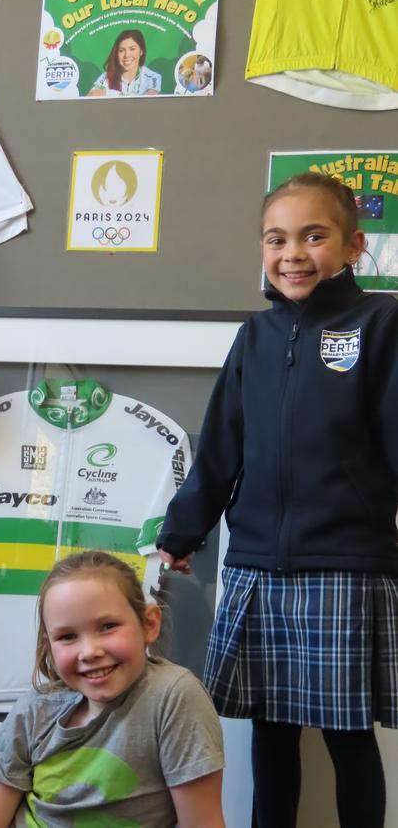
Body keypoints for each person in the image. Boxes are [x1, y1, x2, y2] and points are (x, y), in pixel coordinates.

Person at [157, 171, 398, 828]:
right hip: (258, 563)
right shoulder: (254, 338)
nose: (293, 252)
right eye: (276, 238)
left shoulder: (383, 323)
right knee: (271, 732)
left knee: (349, 736)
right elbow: (221, 449)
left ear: (354, 247)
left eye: (313, 236)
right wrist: (183, 530)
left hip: (346, 562)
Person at [0, 550, 225, 828]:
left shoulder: (174, 698)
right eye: (67, 636)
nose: (89, 652)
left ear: (149, 624)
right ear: (49, 646)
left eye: (108, 626)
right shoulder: (34, 709)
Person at [88, 29, 161, 97]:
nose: (126, 55)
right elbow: (92, 95)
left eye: (132, 49)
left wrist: (108, 93)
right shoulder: (106, 77)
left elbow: (149, 101)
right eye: (121, 50)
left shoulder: (153, 76)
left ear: (141, 51)